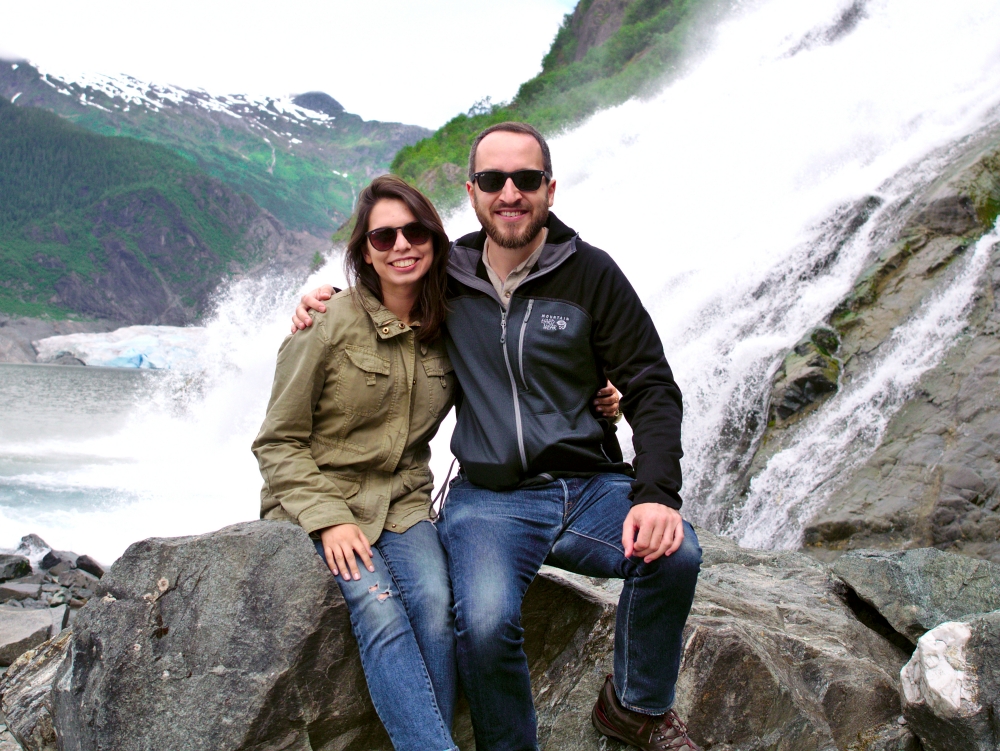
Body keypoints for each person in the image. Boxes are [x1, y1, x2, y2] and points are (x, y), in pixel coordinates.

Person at [294, 122, 702, 751]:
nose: (510, 193)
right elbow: (382, 291)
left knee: (676, 555)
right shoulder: (446, 275)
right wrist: (320, 300)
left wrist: (656, 494)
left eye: (526, 179)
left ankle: (635, 708)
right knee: (483, 626)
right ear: (473, 192)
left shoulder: (592, 274)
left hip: (590, 486)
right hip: (491, 498)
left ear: (549, 189)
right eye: (493, 180)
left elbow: (652, 386)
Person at [253, 175, 460, 751]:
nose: (401, 246)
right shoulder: (326, 322)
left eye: (415, 232)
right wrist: (329, 519)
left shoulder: (452, 326)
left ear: (434, 239)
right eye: (383, 236)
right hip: (320, 499)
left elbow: (515, 382)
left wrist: (600, 398)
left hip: (402, 502)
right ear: (365, 252)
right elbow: (277, 441)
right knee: (380, 607)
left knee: (437, 609)